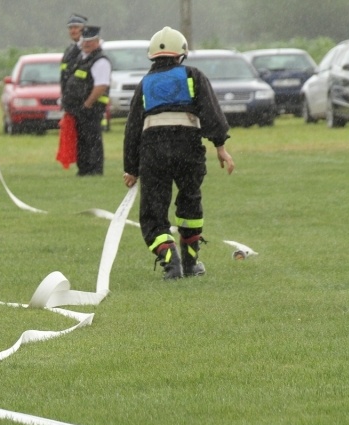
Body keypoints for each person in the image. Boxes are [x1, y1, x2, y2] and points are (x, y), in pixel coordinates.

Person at [122, 26, 235, 280]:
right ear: (180, 55)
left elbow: (132, 128)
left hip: (153, 151)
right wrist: (220, 147)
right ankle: (191, 262)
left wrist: (131, 168)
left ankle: (169, 258)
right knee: (189, 201)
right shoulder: (193, 75)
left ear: (152, 56)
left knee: (153, 210)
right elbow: (211, 112)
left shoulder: (145, 84)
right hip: (188, 149)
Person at [61, 26, 111, 176]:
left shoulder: (100, 61)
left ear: (97, 41)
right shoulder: (82, 58)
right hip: (79, 109)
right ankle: (83, 169)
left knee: (92, 139)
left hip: (91, 109)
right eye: (85, 41)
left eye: (90, 41)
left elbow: (101, 85)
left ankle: (94, 170)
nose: (87, 44)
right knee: (81, 140)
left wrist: (87, 104)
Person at [60, 14, 87, 87]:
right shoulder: (69, 50)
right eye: (70, 28)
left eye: (76, 27)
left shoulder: (88, 49)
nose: (73, 31)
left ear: (84, 29)